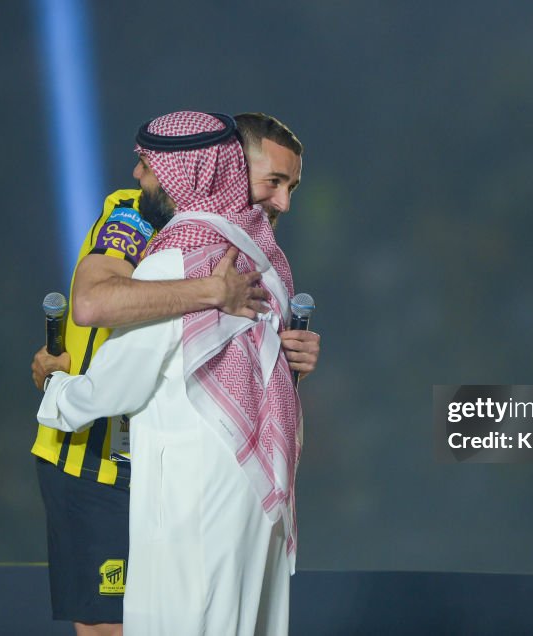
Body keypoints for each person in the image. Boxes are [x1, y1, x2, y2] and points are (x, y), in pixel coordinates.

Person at [30, 112, 318, 636]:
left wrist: (286, 355)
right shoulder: (145, 221)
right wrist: (211, 292)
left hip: (182, 480)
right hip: (101, 460)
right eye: (273, 182)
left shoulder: (222, 251)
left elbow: (123, 377)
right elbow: (92, 302)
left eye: (146, 163)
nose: (282, 203)